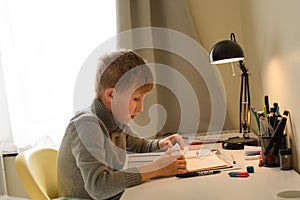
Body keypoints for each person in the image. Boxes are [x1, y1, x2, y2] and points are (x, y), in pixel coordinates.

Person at [57, 49, 188, 200]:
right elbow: (98, 187)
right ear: (111, 95)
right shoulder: (87, 125)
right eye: (136, 99)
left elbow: (140, 145)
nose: (141, 108)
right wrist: (156, 168)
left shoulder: (116, 120)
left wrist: (162, 143)